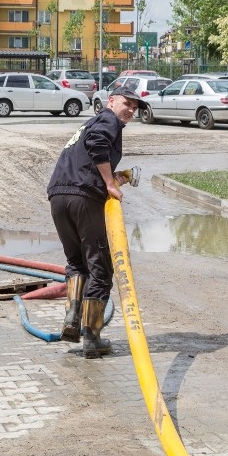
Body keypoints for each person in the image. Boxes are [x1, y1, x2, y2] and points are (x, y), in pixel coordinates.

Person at [47, 86, 145, 359]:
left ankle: (72, 317)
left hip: (59, 196)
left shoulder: (88, 123)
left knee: (76, 263)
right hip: (83, 198)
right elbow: (98, 143)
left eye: (135, 108)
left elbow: (89, 154)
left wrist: (111, 176)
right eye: (127, 103)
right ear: (111, 101)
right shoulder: (107, 120)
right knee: (99, 267)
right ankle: (91, 337)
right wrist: (108, 183)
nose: (131, 110)